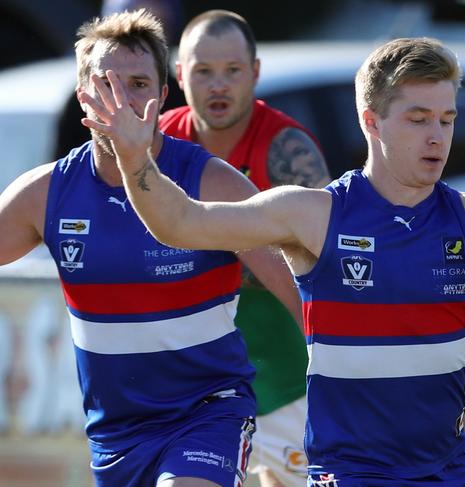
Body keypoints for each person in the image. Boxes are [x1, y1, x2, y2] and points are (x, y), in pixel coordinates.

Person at [80, 36, 465, 486]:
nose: (438, 136)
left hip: (447, 472)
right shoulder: (312, 214)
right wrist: (135, 157)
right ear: (371, 122)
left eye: (446, 119)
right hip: (349, 475)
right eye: (417, 118)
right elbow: (183, 223)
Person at [0, 9, 303, 487]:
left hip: (209, 414)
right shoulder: (46, 194)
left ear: (163, 97)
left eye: (139, 84)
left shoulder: (212, 182)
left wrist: (359, 381)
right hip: (116, 434)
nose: (123, 100)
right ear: (84, 97)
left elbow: (302, 285)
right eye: (107, 84)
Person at [159, 10, 330, 487]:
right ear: (179, 75)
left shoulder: (288, 149)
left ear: (254, 72)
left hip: (287, 374)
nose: (218, 85)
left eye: (232, 71)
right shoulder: (156, 146)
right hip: (195, 384)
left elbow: (322, 265)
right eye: (203, 71)